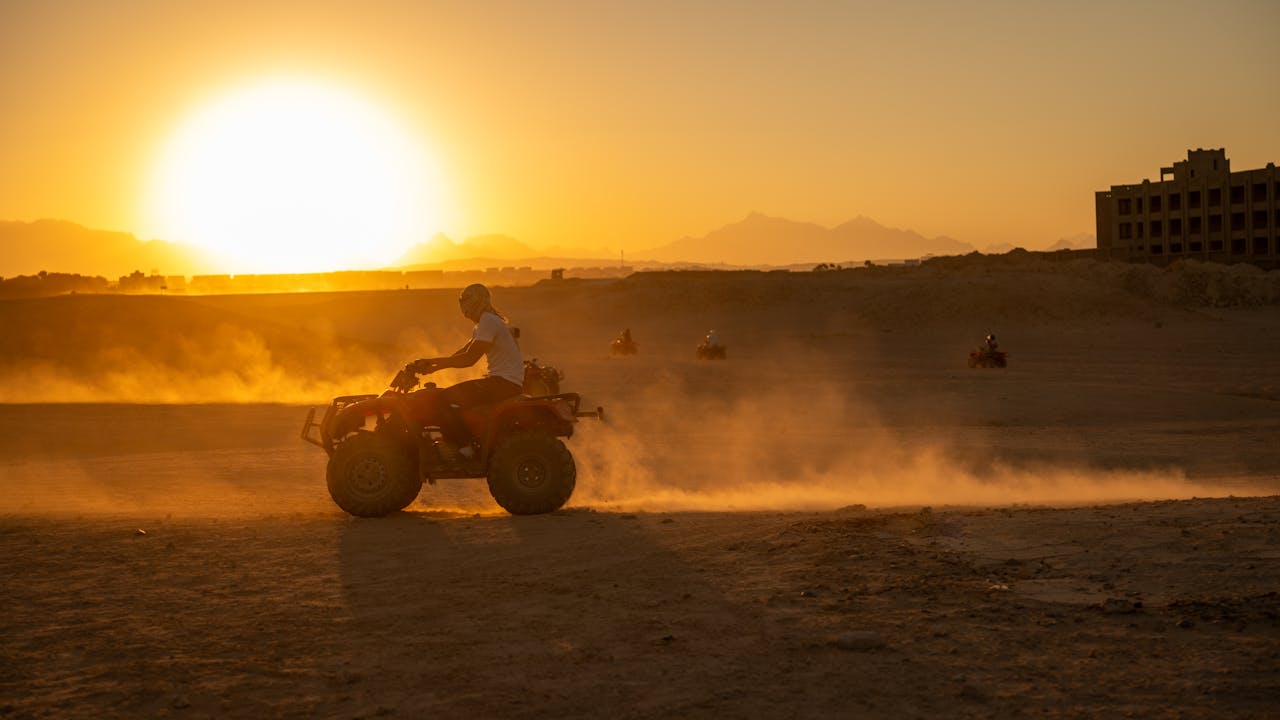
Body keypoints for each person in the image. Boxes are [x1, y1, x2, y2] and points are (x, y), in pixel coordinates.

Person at [407, 284, 524, 458]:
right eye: (460, 301)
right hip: (503, 382)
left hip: (502, 383)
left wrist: (436, 364)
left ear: (476, 301)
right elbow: (463, 352)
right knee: (448, 397)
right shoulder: (484, 323)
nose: (462, 305)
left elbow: (469, 359)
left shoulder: (488, 321)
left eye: (465, 300)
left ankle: (463, 449)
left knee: (441, 399)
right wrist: (432, 365)